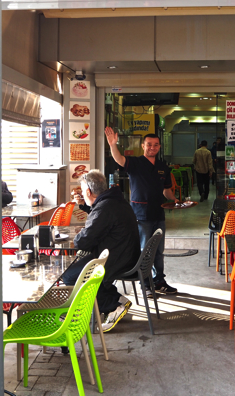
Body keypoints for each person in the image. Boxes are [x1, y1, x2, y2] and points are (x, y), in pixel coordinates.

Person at [62, 170, 140, 332]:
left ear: (88, 192)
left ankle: (112, 305)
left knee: (69, 276)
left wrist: (76, 236)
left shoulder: (105, 208)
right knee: (80, 265)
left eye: (83, 191)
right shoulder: (114, 200)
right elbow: (102, 220)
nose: (82, 194)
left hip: (118, 258)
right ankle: (116, 298)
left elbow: (83, 241)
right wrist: (85, 206)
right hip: (125, 254)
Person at [104, 127, 177, 296]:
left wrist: (175, 200)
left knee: (158, 250)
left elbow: (166, 190)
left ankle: (159, 281)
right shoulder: (135, 163)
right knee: (144, 249)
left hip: (159, 213)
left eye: (156, 145)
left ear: (159, 147)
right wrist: (113, 145)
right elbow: (119, 159)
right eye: (149, 144)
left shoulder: (163, 167)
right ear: (143, 146)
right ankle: (144, 283)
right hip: (141, 214)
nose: (152, 147)